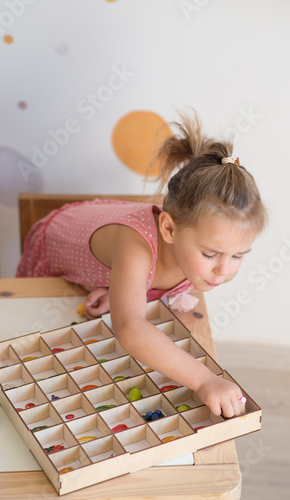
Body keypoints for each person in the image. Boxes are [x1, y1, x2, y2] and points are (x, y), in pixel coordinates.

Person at [16, 111, 267, 418]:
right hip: (56, 244)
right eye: (211, 255)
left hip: (114, 255)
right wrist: (203, 379)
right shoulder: (136, 249)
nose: (224, 270)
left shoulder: (193, 244)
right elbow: (130, 327)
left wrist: (124, 288)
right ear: (169, 229)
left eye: (238, 256)